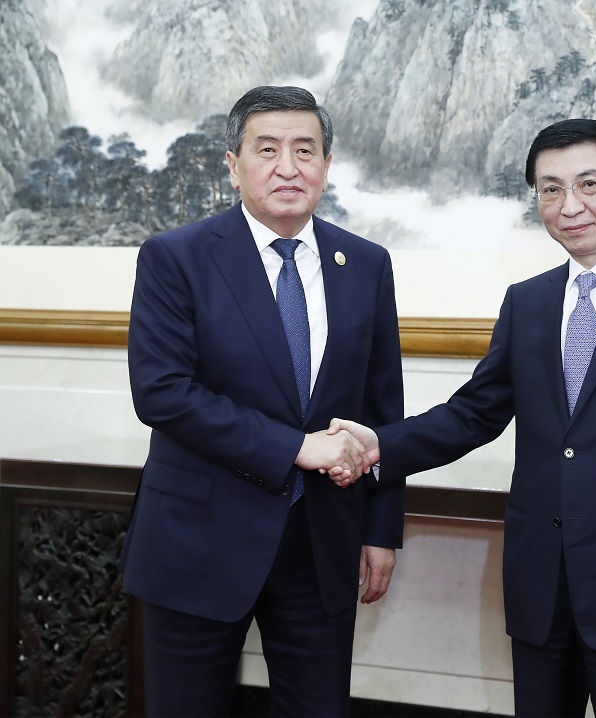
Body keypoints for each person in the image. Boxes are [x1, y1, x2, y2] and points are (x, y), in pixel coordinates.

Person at [330, 119, 596, 717]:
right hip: (539, 581)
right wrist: (378, 445)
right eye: (551, 189)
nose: (569, 205)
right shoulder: (527, 302)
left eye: (588, 184)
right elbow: (473, 413)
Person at [120, 85, 404, 718]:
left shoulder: (366, 264)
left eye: (305, 150)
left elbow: (382, 405)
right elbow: (163, 393)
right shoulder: (176, 257)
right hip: (199, 538)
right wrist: (297, 447)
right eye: (267, 149)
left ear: (326, 165)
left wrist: (381, 530)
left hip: (322, 543)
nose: (288, 167)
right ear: (233, 163)